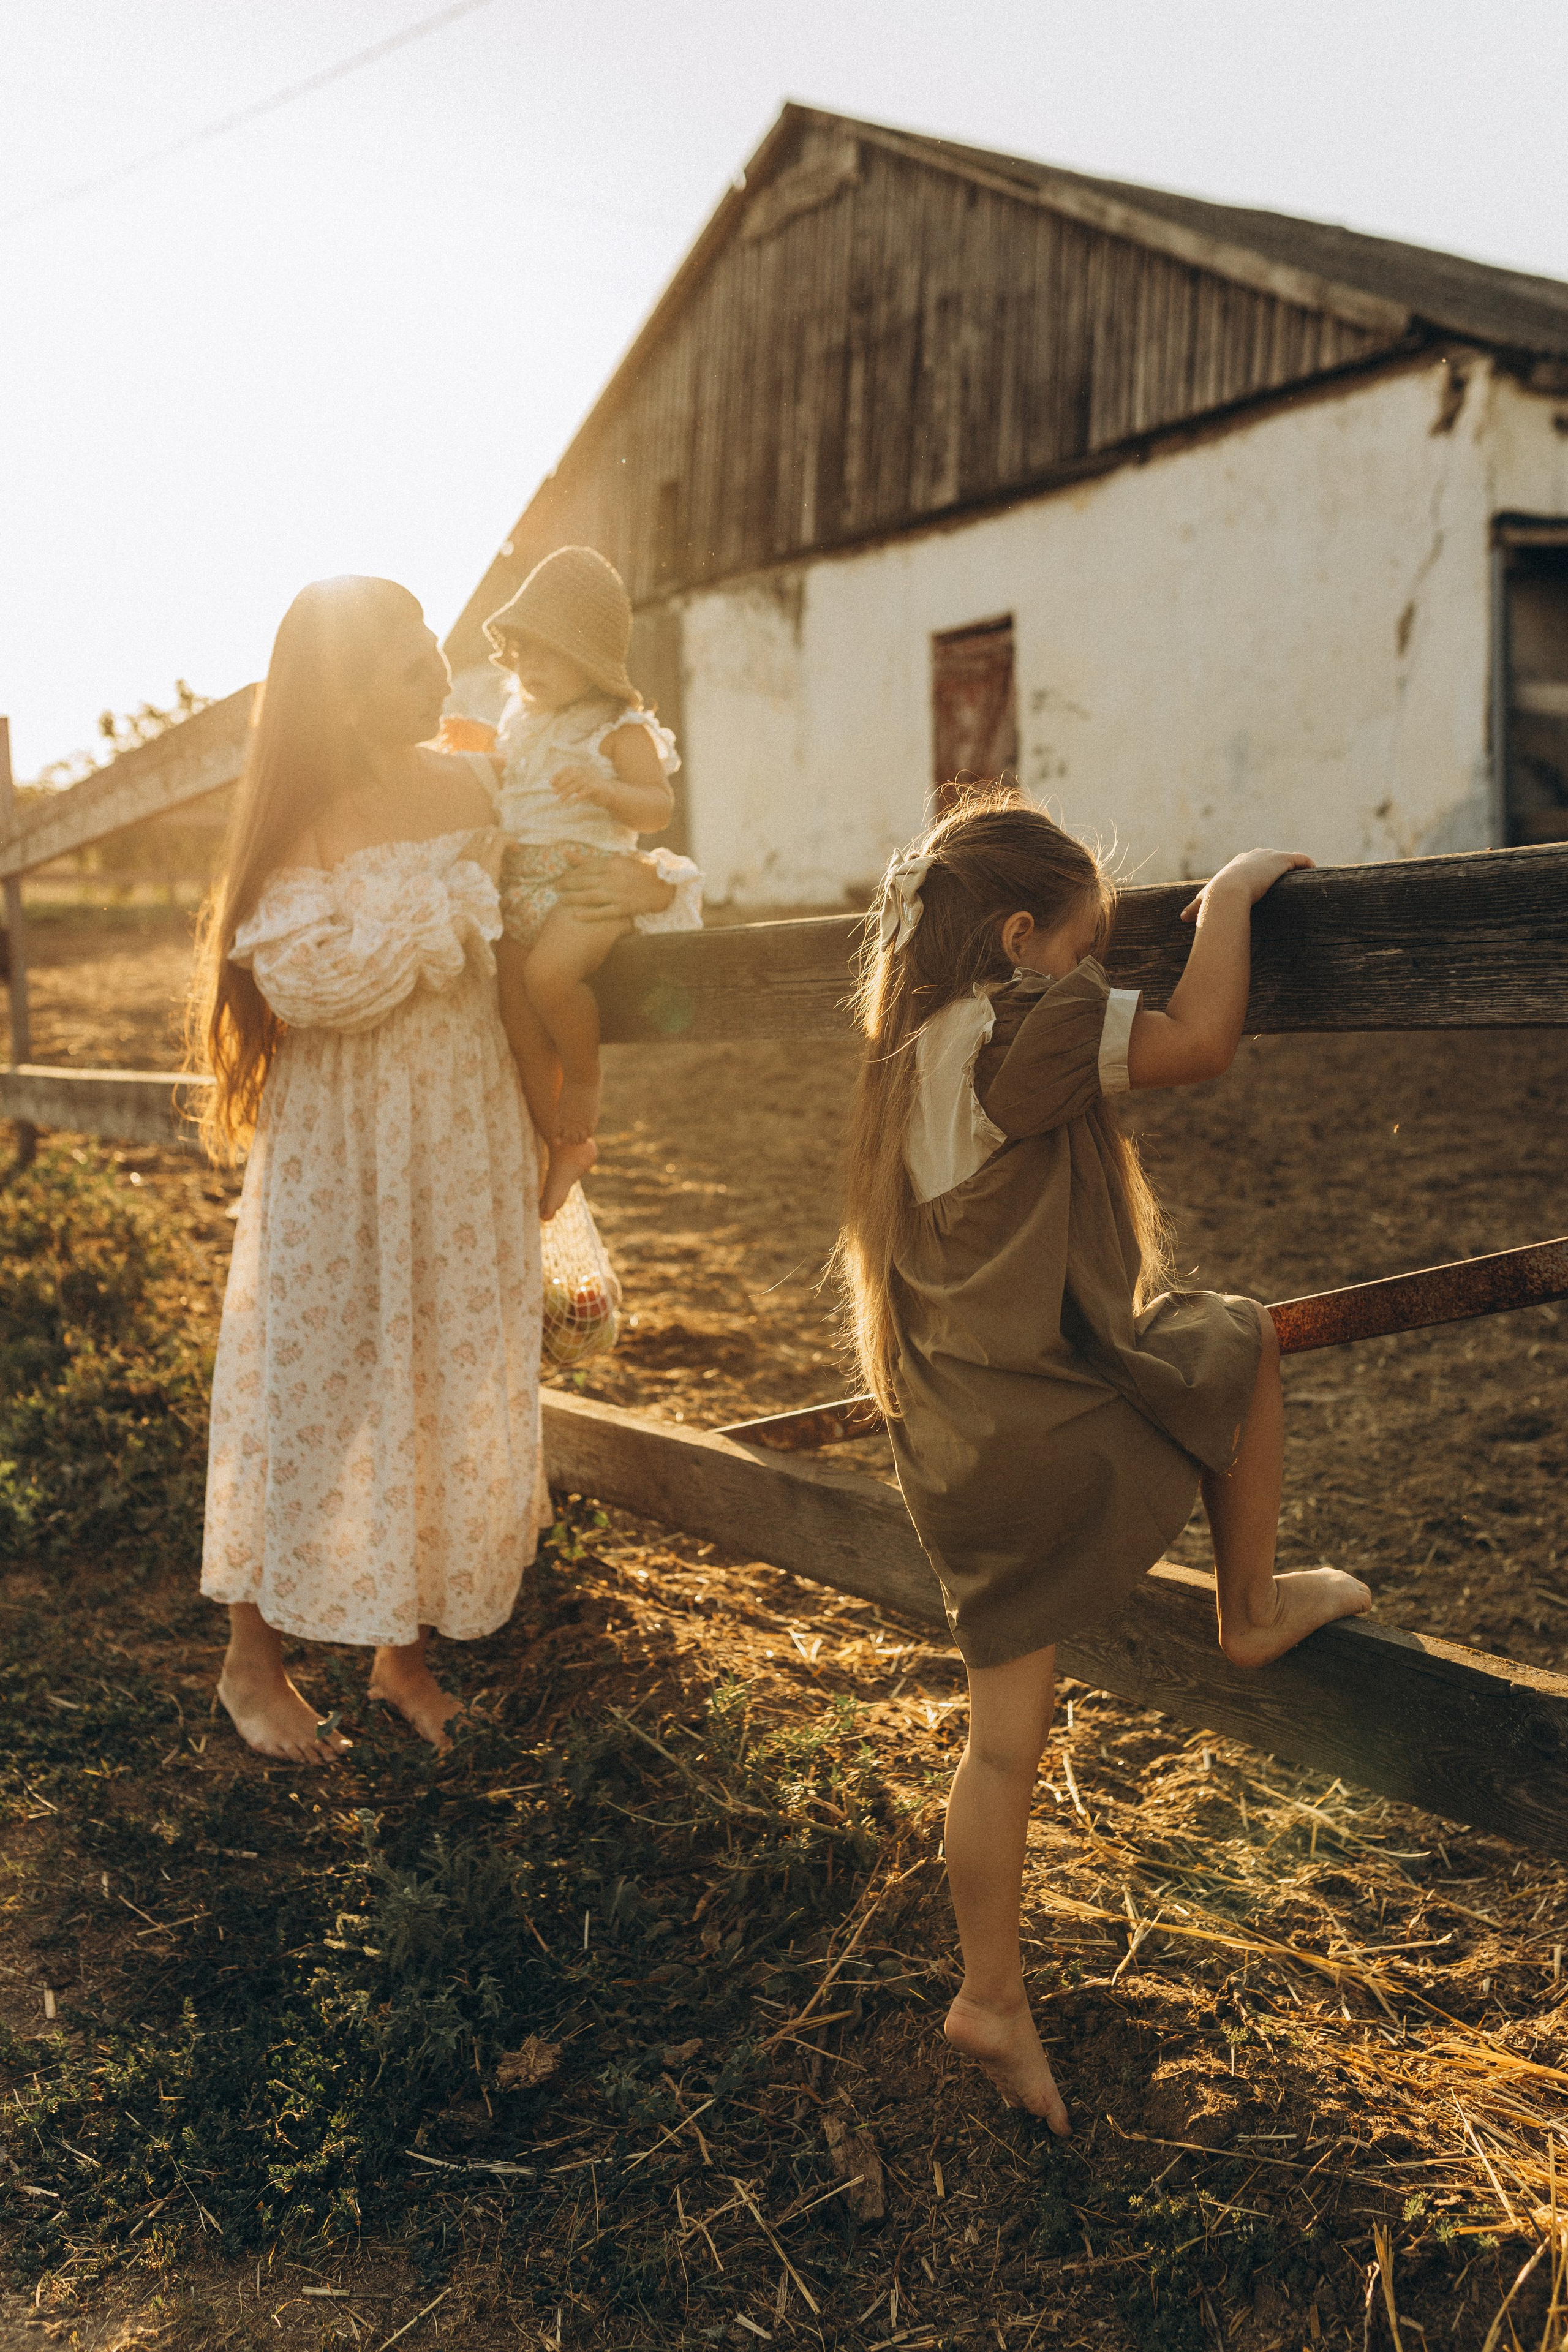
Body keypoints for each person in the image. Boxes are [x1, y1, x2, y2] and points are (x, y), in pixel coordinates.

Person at [833, 792, 1371, 2129]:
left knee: (998, 1747)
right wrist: (1231, 900)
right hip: (1042, 1433)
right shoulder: (1036, 1025)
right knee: (1234, 1340)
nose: (1089, 968)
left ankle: (989, 1995)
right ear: (1018, 939)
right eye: (1081, 943)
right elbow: (1196, 1041)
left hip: (954, 1446)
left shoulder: (901, 1054)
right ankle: (1248, 1611)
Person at [189, 575, 678, 1763]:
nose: (436, 671)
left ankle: (397, 1655)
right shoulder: (301, 819)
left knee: (444, 1372)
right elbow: (310, 984)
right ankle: (250, 1664)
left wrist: (634, 887)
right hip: (341, 1150)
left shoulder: (474, 778)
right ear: (343, 699)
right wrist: (439, 912)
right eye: (407, 660)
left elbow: (563, 872)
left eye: (429, 646)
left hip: (466, 1133)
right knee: (309, 1373)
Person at [477, 545, 702, 1218]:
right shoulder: (519, 722)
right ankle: (563, 1147)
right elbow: (509, 790)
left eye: (552, 653)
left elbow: (658, 808)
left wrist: (607, 792)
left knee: (550, 979)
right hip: (522, 884)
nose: (531, 667)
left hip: (588, 885)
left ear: (595, 660)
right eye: (523, 652)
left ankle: (583, 1080)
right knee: (516, 1014)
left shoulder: (619, 728)